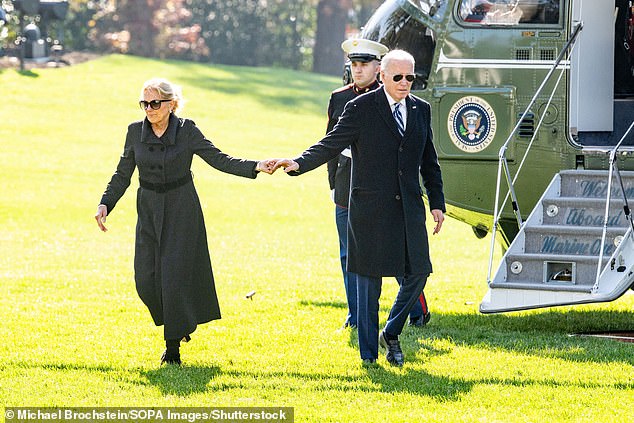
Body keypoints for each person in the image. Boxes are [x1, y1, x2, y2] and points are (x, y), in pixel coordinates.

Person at [273, 50, 445, 366]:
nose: (405, 83)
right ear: (382, 77)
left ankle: (391, 332)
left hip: (408, 209)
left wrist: (437, 203)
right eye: (398, 77)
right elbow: (330, 144)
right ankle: (368, 357)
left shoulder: (421, 110)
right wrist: (298, 162)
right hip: (369, 210)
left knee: (419, 271)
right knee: (368, 286)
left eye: (411, 77)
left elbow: (428, 161)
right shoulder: (360, 108)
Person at [95, 78, 275, 366]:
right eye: (145, 103)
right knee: (145, 279)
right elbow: (122, 174)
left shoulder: (186, 130)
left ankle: (173, 347)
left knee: (173, 278)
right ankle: (178, 322)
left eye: (155, 103)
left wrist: (255, 165)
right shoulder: (133, 132)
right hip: (149, 209)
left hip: (181, 209)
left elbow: (218, 158)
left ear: (171, 104)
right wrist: (106, 203)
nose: (149, 109)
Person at [328, 39, 431, 330]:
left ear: (378, 69)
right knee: (351, 256)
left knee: (400, 256)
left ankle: (415, 310)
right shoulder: (339, 98)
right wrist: (333, 183)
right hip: (347, 185)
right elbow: (331, 143)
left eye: (364, 65)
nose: (358, 71)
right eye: (354, 65)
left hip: (385, 190)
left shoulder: (390, 96)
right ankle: (357, 314)